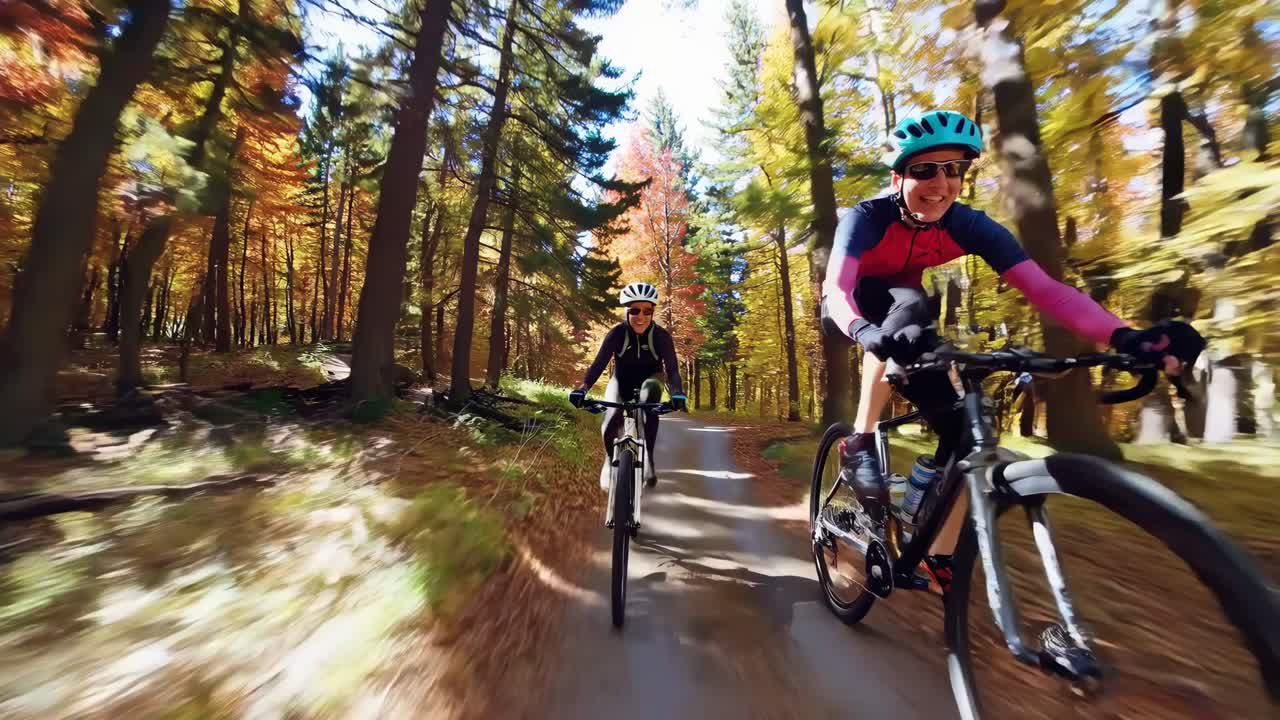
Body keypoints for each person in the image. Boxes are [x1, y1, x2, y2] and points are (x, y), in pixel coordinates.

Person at [821, 109, 1205, 593]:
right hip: (852, 309)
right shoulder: (866, 218)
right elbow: (837, 289)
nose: (940, 183)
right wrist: (861, 328)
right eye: (924, 170)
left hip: (906, 316)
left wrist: (1126, 337)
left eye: (953, 169)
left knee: (966, 434)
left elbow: (1049, 291)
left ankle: (937, 551)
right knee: (909, 311)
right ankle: (860, 440)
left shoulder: (968, 225)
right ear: (898, 177)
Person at [569, 282, 688, 489]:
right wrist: (583, 388)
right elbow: (598, 364)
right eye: (634, 310)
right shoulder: (617, 334)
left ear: (652, 312)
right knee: (611, 416)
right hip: (621, 379)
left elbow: (672, 370)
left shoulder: (661, 337)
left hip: (652, 378)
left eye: (647, 311)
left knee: (648, 400)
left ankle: (649, 459)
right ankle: (609, 460)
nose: (641, 316)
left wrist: (677, 393)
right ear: (626, 311)